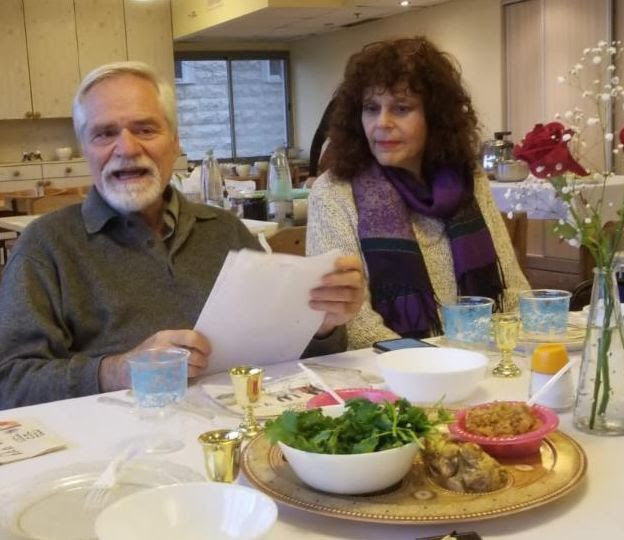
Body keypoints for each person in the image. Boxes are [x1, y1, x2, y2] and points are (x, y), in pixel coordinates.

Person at [0, 62, 364, 409]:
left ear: (175, 143)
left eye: (145, 129)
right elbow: (10, 382)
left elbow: (285, 360)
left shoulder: (225, 231)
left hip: (234, 429)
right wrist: (118, 371)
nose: (127, 149)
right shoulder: (46, 246)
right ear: (85, 149)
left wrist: (321, 326)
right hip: (121, 441)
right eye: (105, 134)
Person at [306, 37, 529, 349]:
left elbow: (513, 294)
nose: (382, 123)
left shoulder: (470, 180)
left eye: (401, 108)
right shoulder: (334, 191)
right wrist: (433, 362)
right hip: (387, 369)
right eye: (371, 108)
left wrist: (506, 352)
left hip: (481, 357)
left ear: (434, 117)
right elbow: (355, 325)